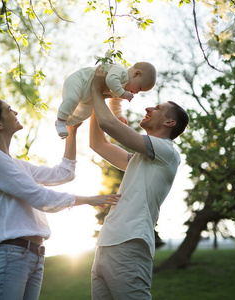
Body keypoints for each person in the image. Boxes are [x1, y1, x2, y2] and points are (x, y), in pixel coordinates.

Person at [0, 98, 120, 300]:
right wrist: (88, 199)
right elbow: (39, 196)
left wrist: (72, 133)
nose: (16, 113)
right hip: (12, 254)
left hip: (34, 255)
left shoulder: (17, 164)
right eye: (9, 110)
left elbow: (64, 173)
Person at [89, 67, 189, 299]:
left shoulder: (167, 152)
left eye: (158, 109)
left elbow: (110, 126)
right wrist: (101, 97)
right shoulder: (141, 160)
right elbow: (98, 144)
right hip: (106, 246)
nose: (148, 108)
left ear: (170, 122)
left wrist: (95, 88)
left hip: (129, 245)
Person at [56, 62, 157, 138]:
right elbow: (111, 80)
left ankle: (67, 122)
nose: (136, 92)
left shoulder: (120, 90)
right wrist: (122, 93)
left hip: (88, 96)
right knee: (72, 99)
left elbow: (115, 103)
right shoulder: (120, 71)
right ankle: (61, 120)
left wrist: (118, 115)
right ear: (136, 74)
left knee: (86, 113)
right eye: (139, 88)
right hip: (80, 81)